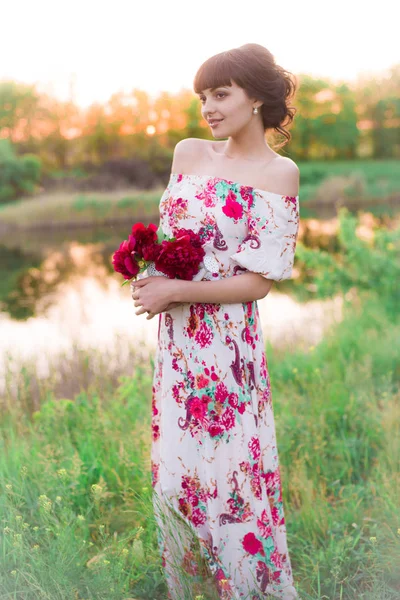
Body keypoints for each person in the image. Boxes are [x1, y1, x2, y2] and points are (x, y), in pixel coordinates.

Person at [131, 42, 300, 600]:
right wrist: (147, 268)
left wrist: (177, 288)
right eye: (203, 96)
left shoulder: (280, 173)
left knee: (233, 479)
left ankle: (250, 589)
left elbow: (259, 283)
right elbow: (173, 240)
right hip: (178, 348)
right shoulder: (189, 153)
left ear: (255, 98)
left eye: (221, 93)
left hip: (228, 350)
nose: (208, 106)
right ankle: (195, 590)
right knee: (182, 477)